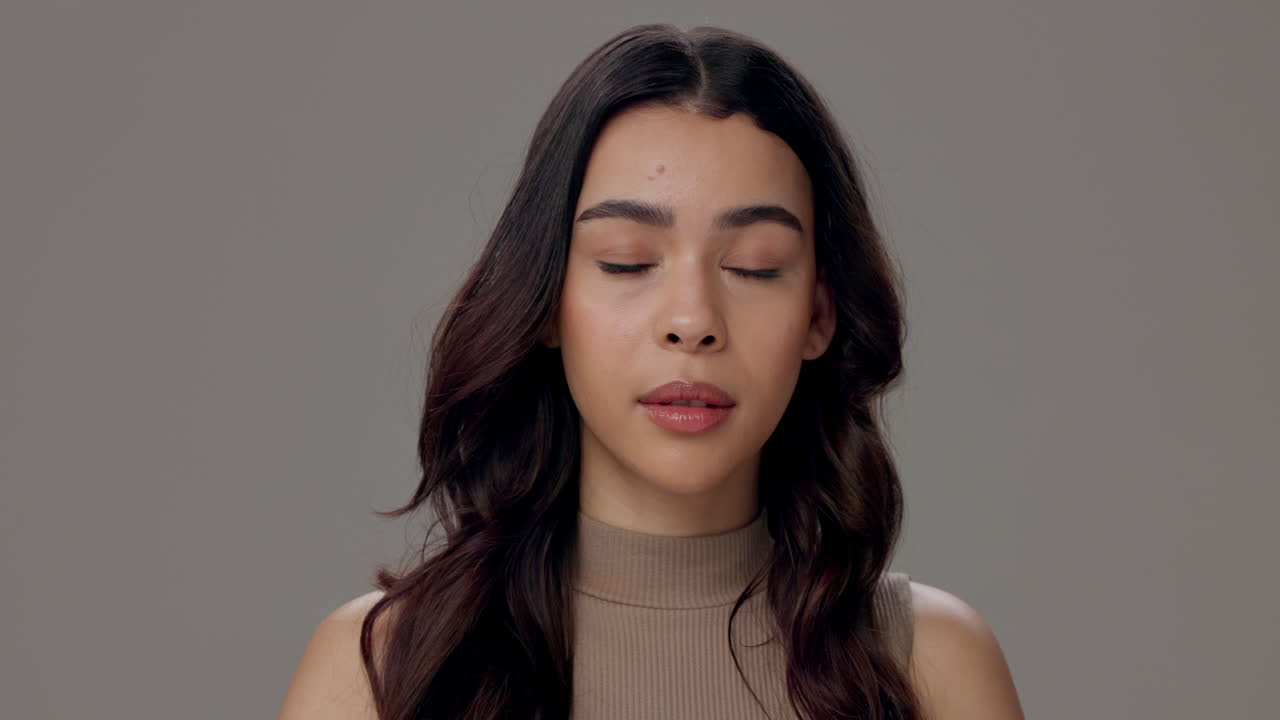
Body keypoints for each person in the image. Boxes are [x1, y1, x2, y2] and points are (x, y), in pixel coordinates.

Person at [278, 22, 1023, 720]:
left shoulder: (930, 667)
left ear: (819, 315)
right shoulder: (381, 671)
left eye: (755, 268)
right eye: (627, 261)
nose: (692, 320)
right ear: (544, 303)